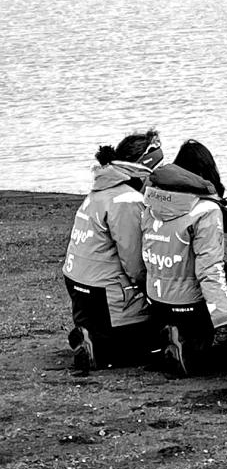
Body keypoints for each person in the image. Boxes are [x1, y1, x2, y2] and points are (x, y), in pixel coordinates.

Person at [62, 129, 163, 372]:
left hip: (81, 288)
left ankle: (90, 335)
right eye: (159, 167)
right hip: (104, 294)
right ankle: (99, 346)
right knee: (155, 347)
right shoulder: (127, 200)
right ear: (144, 167)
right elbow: (137, 266)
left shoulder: (100, 192)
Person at [141, 139, 227, 376]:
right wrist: (224, 321)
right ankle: (190, 349)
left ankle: (173, 337)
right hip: (188, 303)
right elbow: (209, 271)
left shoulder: (152, 200)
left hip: (156, 298)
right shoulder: (206, 210)